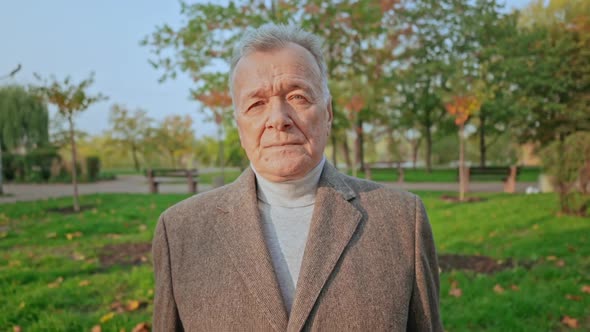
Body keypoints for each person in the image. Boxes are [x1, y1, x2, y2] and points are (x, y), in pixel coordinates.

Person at [152, 23, 442, 331]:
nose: (278, 119)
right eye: (256, 103)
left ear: (328, 113)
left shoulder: (400, 220)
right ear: (239, 125)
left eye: (298, 97)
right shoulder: (180, 231)